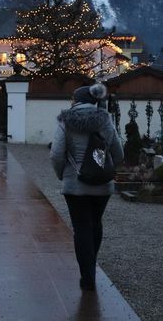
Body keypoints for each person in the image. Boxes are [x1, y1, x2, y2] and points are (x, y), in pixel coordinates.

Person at [49, 83, 123, 292]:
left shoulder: (66, 121)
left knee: (81, 227)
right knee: (95, 223)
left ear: (75, 101)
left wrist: (62, 174)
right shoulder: (105, 120)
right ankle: (91, 261)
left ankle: (87, 276)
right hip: (102, 184)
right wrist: (108, 167)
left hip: (75, 185)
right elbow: (118, 152)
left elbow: (56, 154)